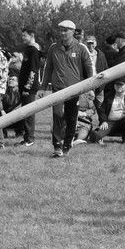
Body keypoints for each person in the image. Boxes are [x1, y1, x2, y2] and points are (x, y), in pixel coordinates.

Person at [42, 19, 94, 157]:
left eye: (65, 30)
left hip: (74, 89)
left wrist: (91, 88)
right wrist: (42, 87)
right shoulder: (54, 48)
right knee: (58, 115)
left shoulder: (81, 48)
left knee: (71, 118)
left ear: (73, 32)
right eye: (61, 30)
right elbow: (48, 68)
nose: (62, 33)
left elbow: (89, 69)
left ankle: (67, 144)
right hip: (58, 88)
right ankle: (57, 146)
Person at [17, 27, 43, 147]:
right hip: (23, 86)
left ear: (31, 35)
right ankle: (26, 137)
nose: (23, 38)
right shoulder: (28, 49)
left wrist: (27, 87)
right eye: (22, 35)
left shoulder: (33, 50)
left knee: (29, 112)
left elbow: (33, 70)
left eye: (25, 36)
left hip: (29, 87)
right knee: (25, 112)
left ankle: (30, 139)